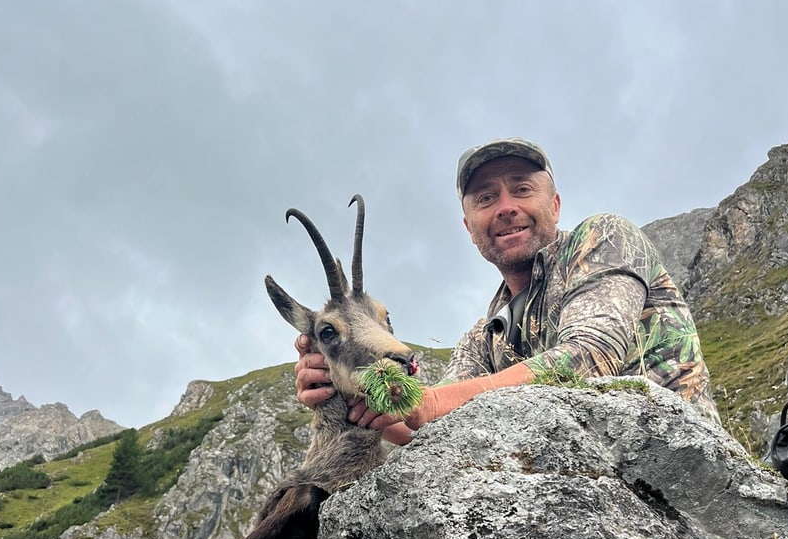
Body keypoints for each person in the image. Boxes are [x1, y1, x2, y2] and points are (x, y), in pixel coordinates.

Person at [296, 137, 718, 442]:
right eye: (485, 198)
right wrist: (349, 392)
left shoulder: (603, 239)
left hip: (674, 465)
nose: (506, 207)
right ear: (468, 227)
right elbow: (435, 428)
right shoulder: (485, 338)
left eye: (521, 188)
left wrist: (431, 404)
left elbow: (591, 355)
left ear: (553, 204)